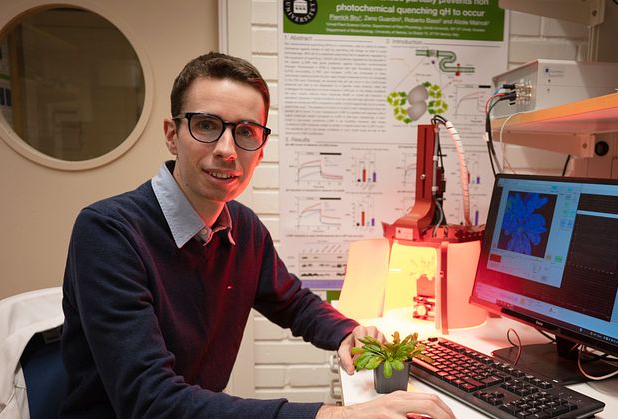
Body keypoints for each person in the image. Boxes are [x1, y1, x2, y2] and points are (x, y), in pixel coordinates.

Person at [60, 52, 455, 419]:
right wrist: (331, 414)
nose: (228, 150)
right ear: (171, 134)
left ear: (261, 149)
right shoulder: (109, 232)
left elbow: (292, 301)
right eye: (207, 126)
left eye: (246, 132)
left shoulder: (242, 227)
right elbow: (148, 400)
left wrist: (346, 332)